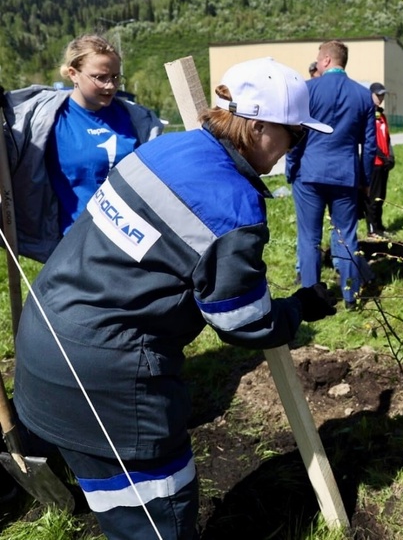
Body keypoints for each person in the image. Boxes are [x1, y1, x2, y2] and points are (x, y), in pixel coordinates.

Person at [12, 57, 338, 540]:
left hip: (45, 349)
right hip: (109, 385)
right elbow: (243, 322)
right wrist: (299, 308)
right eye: (296, 134)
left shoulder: (164, 151)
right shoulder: (232, 208)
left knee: (113, 503)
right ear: (257, 126)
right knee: (159, 520)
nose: (296, 147)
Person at [4, 34, 163, 263]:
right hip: (74, 248)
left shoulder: (139, 120)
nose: (110, 85)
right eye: (100, 77)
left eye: (115, 77)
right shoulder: (46, 120)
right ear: (73, 74)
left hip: (131, 245)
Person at [286, 40, 377, 309]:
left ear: (326, 60)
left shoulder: (307, 89)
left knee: (309, 238)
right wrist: (365, 181)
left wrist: (291, 167)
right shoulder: (363, 95)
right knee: (346, 237)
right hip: (345, 176)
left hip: (309, 173)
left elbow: (295, 135)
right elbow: (369, 146)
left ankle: (311, 301)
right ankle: (350, 297)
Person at [364, 82, 395, 238]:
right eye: (378, 95)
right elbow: (368, 140)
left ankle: (379, 226)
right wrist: (381, 155)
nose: (380, 98)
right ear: (371, 95)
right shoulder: (367, 114)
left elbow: (387, 138)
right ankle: (372, 229)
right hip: (373, 163)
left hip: (383, 163)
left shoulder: (381, 116)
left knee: (381, 196)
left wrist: (390, 156)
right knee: (372, 198)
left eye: (382, 95)